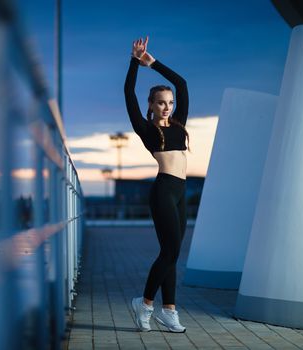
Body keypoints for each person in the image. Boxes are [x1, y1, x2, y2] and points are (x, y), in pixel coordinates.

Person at [125, 36, 190, 333]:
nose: (167, 107)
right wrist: (134, 63)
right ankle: (146, 304)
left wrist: (154, 63)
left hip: (181, 192)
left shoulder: (179, 125)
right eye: (161, 103)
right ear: (151, 105)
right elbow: (128, 91)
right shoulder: (145, 129)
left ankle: (169, 311)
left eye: (170, 103)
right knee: (170, 251)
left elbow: (183, 83)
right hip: (163, 190)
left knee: (172, 253)